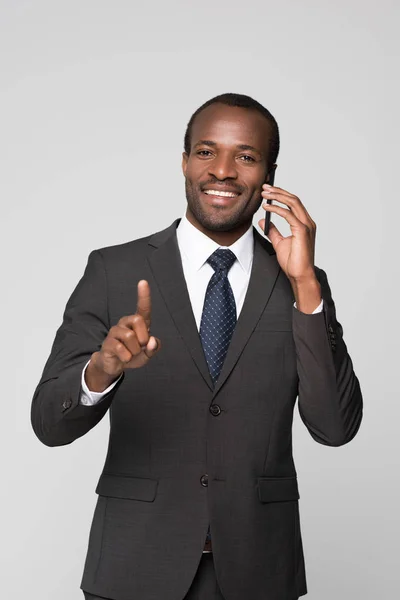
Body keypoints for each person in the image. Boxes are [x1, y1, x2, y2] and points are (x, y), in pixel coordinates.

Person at [31, 93, 363, 600]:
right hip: (135, 566)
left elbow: (335, 428)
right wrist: (101, 370)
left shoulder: (302, 284)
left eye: (246, 157)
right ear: (184, 162)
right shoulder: (112, 270)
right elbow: (49, 424)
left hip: (259, 570)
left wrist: (307, 288)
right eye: (207, 152)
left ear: (269, 174)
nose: (224, 171)